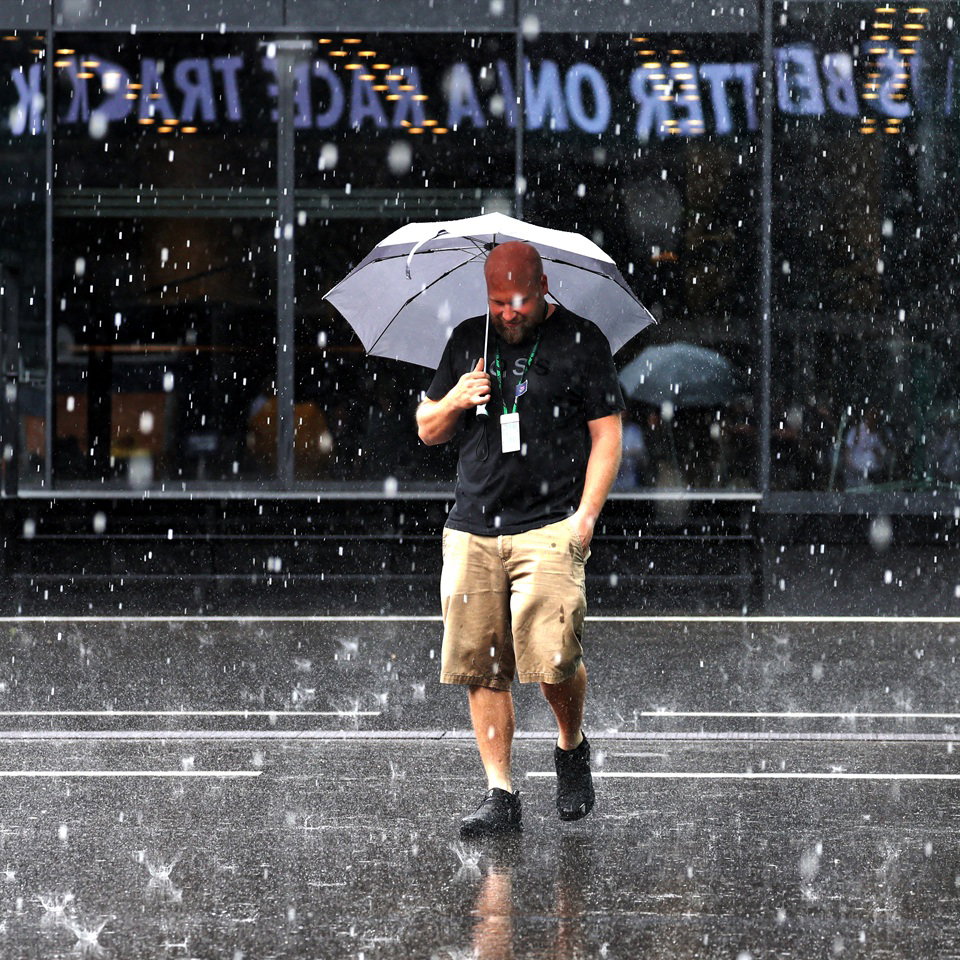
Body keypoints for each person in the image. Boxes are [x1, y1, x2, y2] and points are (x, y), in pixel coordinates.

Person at [415, 241, 624, 837]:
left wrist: (585, 517)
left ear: (544, 286)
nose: (509, 313)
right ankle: (500, 793)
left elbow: (607, 436)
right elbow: (427, 428)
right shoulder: (466, 340)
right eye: (497, 302)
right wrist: (455, 397)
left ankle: (570, 745)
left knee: (553, 661)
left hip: (550, 524)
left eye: (521, 301)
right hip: (473, 527)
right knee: (481, 667)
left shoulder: (582, 342)